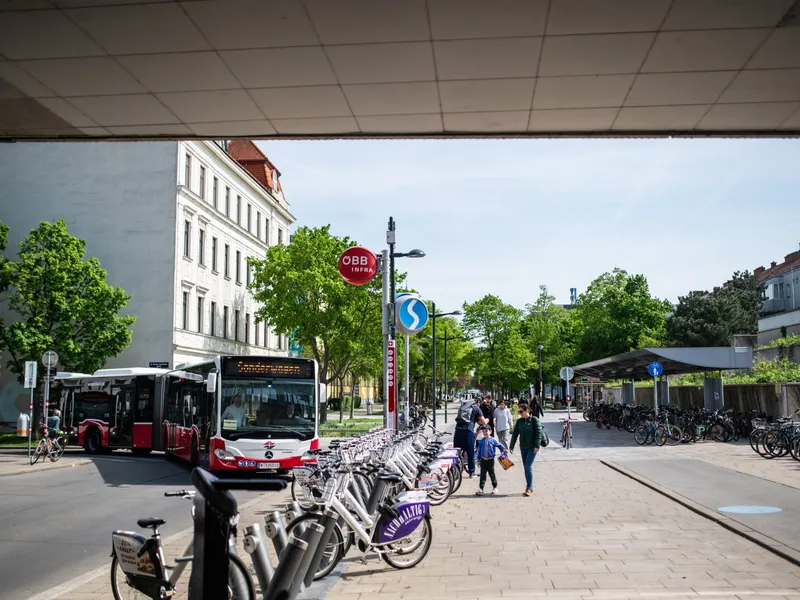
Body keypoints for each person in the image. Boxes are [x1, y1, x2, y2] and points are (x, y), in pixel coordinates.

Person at [509, 404, 543, 497]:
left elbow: (539, 433)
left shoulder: (534, 420)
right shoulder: (519, 421)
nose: (520, 413)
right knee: (526, 467)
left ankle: (529, 488)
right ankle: (529, 486)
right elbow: (515, 434)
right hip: (523, 447)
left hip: (532, 447)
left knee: (528, 466)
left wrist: (537, 445)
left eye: (521, 411)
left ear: (527, 410)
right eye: (519, 412)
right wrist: (511, 446)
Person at [453, 396, 487, 478]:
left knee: (456, 453)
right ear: (478, 402)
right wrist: (487, 420)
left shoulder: (464, 408)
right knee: (470, 452)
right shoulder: (476, 408)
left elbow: (475, 420)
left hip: (458, 431)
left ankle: (454, 472)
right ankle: (472, 472)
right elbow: (483, 422)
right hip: (468, 432)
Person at [474, 425, 506, 495]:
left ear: (490, 431)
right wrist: (478, 460)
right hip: (483, 460)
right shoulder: (481, 441)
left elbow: (499, 445)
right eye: (483, 431)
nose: (485, 433)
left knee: (492, 474)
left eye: (486, 431)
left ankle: (495, 487)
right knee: (482, 475)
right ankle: (481, 489)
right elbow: (479, 451)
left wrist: (504, 449)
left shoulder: (493, 440)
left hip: (490, 460)